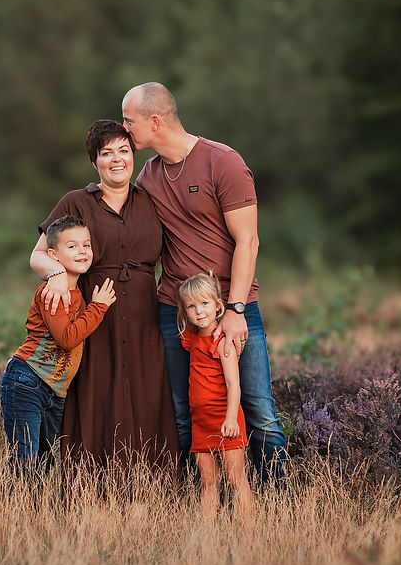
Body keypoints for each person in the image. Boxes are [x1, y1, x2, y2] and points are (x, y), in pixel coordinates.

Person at [122, 81, 289, 486]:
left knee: (258, 407)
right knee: (184, 409)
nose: (125, 130)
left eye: (129, 122)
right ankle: (198, 501)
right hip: (174, 311)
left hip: (230, 307)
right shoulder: (149, 175)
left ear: (155, 120)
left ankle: (278, 504)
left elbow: (248, 240)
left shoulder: (223, 162)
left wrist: (233, 311)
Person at [31, 120, 180, 481]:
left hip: (145, 313)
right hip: (93, 315)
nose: (117, 160)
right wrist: (55, 276)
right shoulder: (77, 201)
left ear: (134, 155)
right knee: (97, 393)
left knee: (147, 395)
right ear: (95, 161)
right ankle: (91, 487)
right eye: (106, 153)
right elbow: (38, 255)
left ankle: (151, 489)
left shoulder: (153, 200)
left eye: (123, 151)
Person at [1, 215, 116, 474]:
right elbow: (67, 339)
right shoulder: (52, 293)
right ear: (53, 255)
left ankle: (32, 513)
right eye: (72, 246)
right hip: (27, 382)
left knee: (43, 462)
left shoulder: (77, 295)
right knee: (25, 459)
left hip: (55, 392)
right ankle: (11, 513)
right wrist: (99, 308)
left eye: (86, 245)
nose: (82, 251)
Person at [177, 272, 254, 518]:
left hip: (225, 419)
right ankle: (207, 535)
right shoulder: (191, 339)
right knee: (208, 482)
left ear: (218, 305)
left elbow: (234, 385)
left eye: (205, 303)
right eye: (191, 306)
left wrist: (231, 418)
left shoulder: (222, 342)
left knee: (235, 479)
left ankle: (249, 533)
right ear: (184, 311)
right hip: (201, 422)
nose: (199, 311)